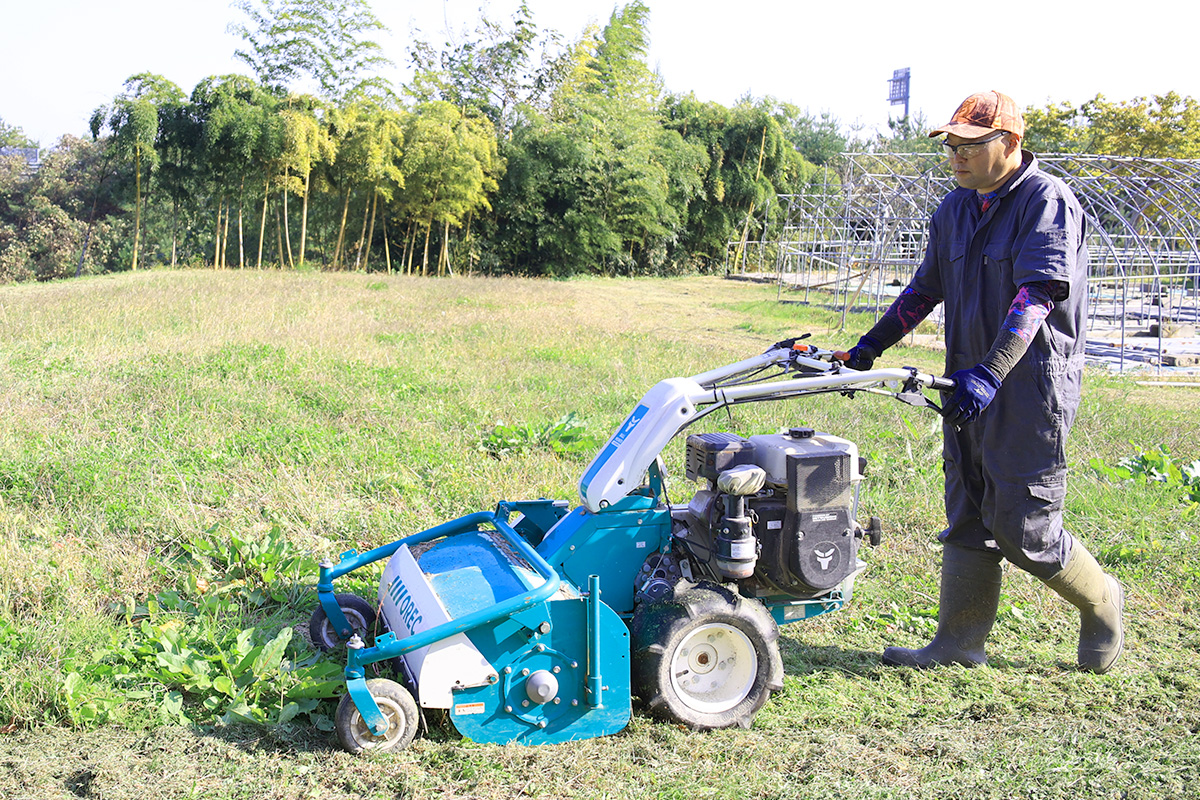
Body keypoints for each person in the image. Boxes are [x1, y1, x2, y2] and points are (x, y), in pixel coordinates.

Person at [837, 90, 1124, 673]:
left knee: (1024, 526)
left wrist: (992, 374)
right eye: (951, 144)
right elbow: (923, 291)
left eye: (971, 144)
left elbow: (1037, 295)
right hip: (964, 381)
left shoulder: (1046, 202)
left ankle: (1102, 599)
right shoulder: (956, 208)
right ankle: (958, 644)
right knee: (967, 511)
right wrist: (868, 347)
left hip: (1027, 385)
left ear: (1010, 143)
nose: (956, 156)